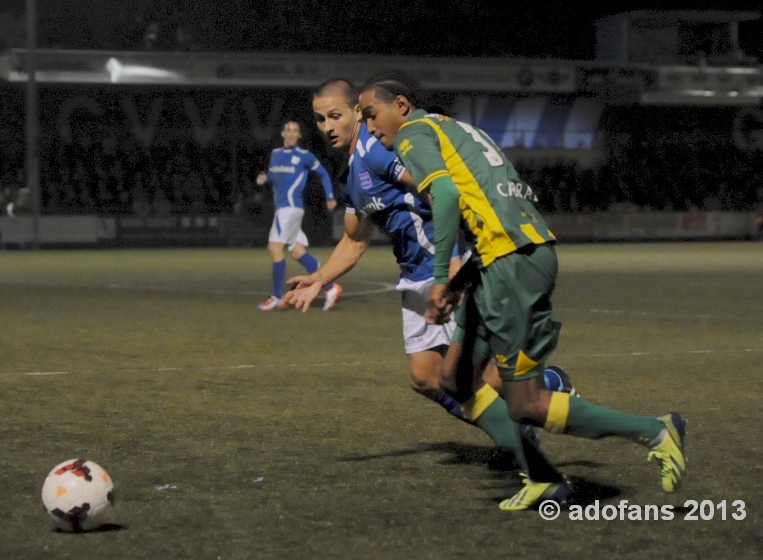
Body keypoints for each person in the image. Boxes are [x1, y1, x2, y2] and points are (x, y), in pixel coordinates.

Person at [358, 72, 686, 510]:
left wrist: (440, 277)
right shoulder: (453, 127)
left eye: (370, 113)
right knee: (454, 379)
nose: (368, 124)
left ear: (400, 105)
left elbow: (447, 195)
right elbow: (486, 198)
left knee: (525, 404)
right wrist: (462, 280)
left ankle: (657, 429)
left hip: (512, 261)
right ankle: (541, 476)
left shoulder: (413, 133)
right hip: (501, 257)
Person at [285, 78, 573, 486]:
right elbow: (354, 239)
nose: (327, 125)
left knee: (476, 380)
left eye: (335, 115)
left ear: (356, 113)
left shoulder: (381, 151)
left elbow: (443, 190)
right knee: (425, 378)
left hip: (447, 273)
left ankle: (546, 392)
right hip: (413, 279)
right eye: (319, 119)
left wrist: (454, 260)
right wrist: (318, 278)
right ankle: (520, 435)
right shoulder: (349, 172)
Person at [256, 119, 343, 311]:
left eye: (295, 130)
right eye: (288, 129)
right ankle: (330, 287)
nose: (291, 133)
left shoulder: (304, 156)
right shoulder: (276, 154)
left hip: (290, 207)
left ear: (299, 135)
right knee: (297, 251)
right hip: (282, 208)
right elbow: (275, 176)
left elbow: (323, 174)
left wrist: (329, 196)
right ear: (282, 133)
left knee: (274, 248)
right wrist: (265, 179)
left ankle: (277, 296)